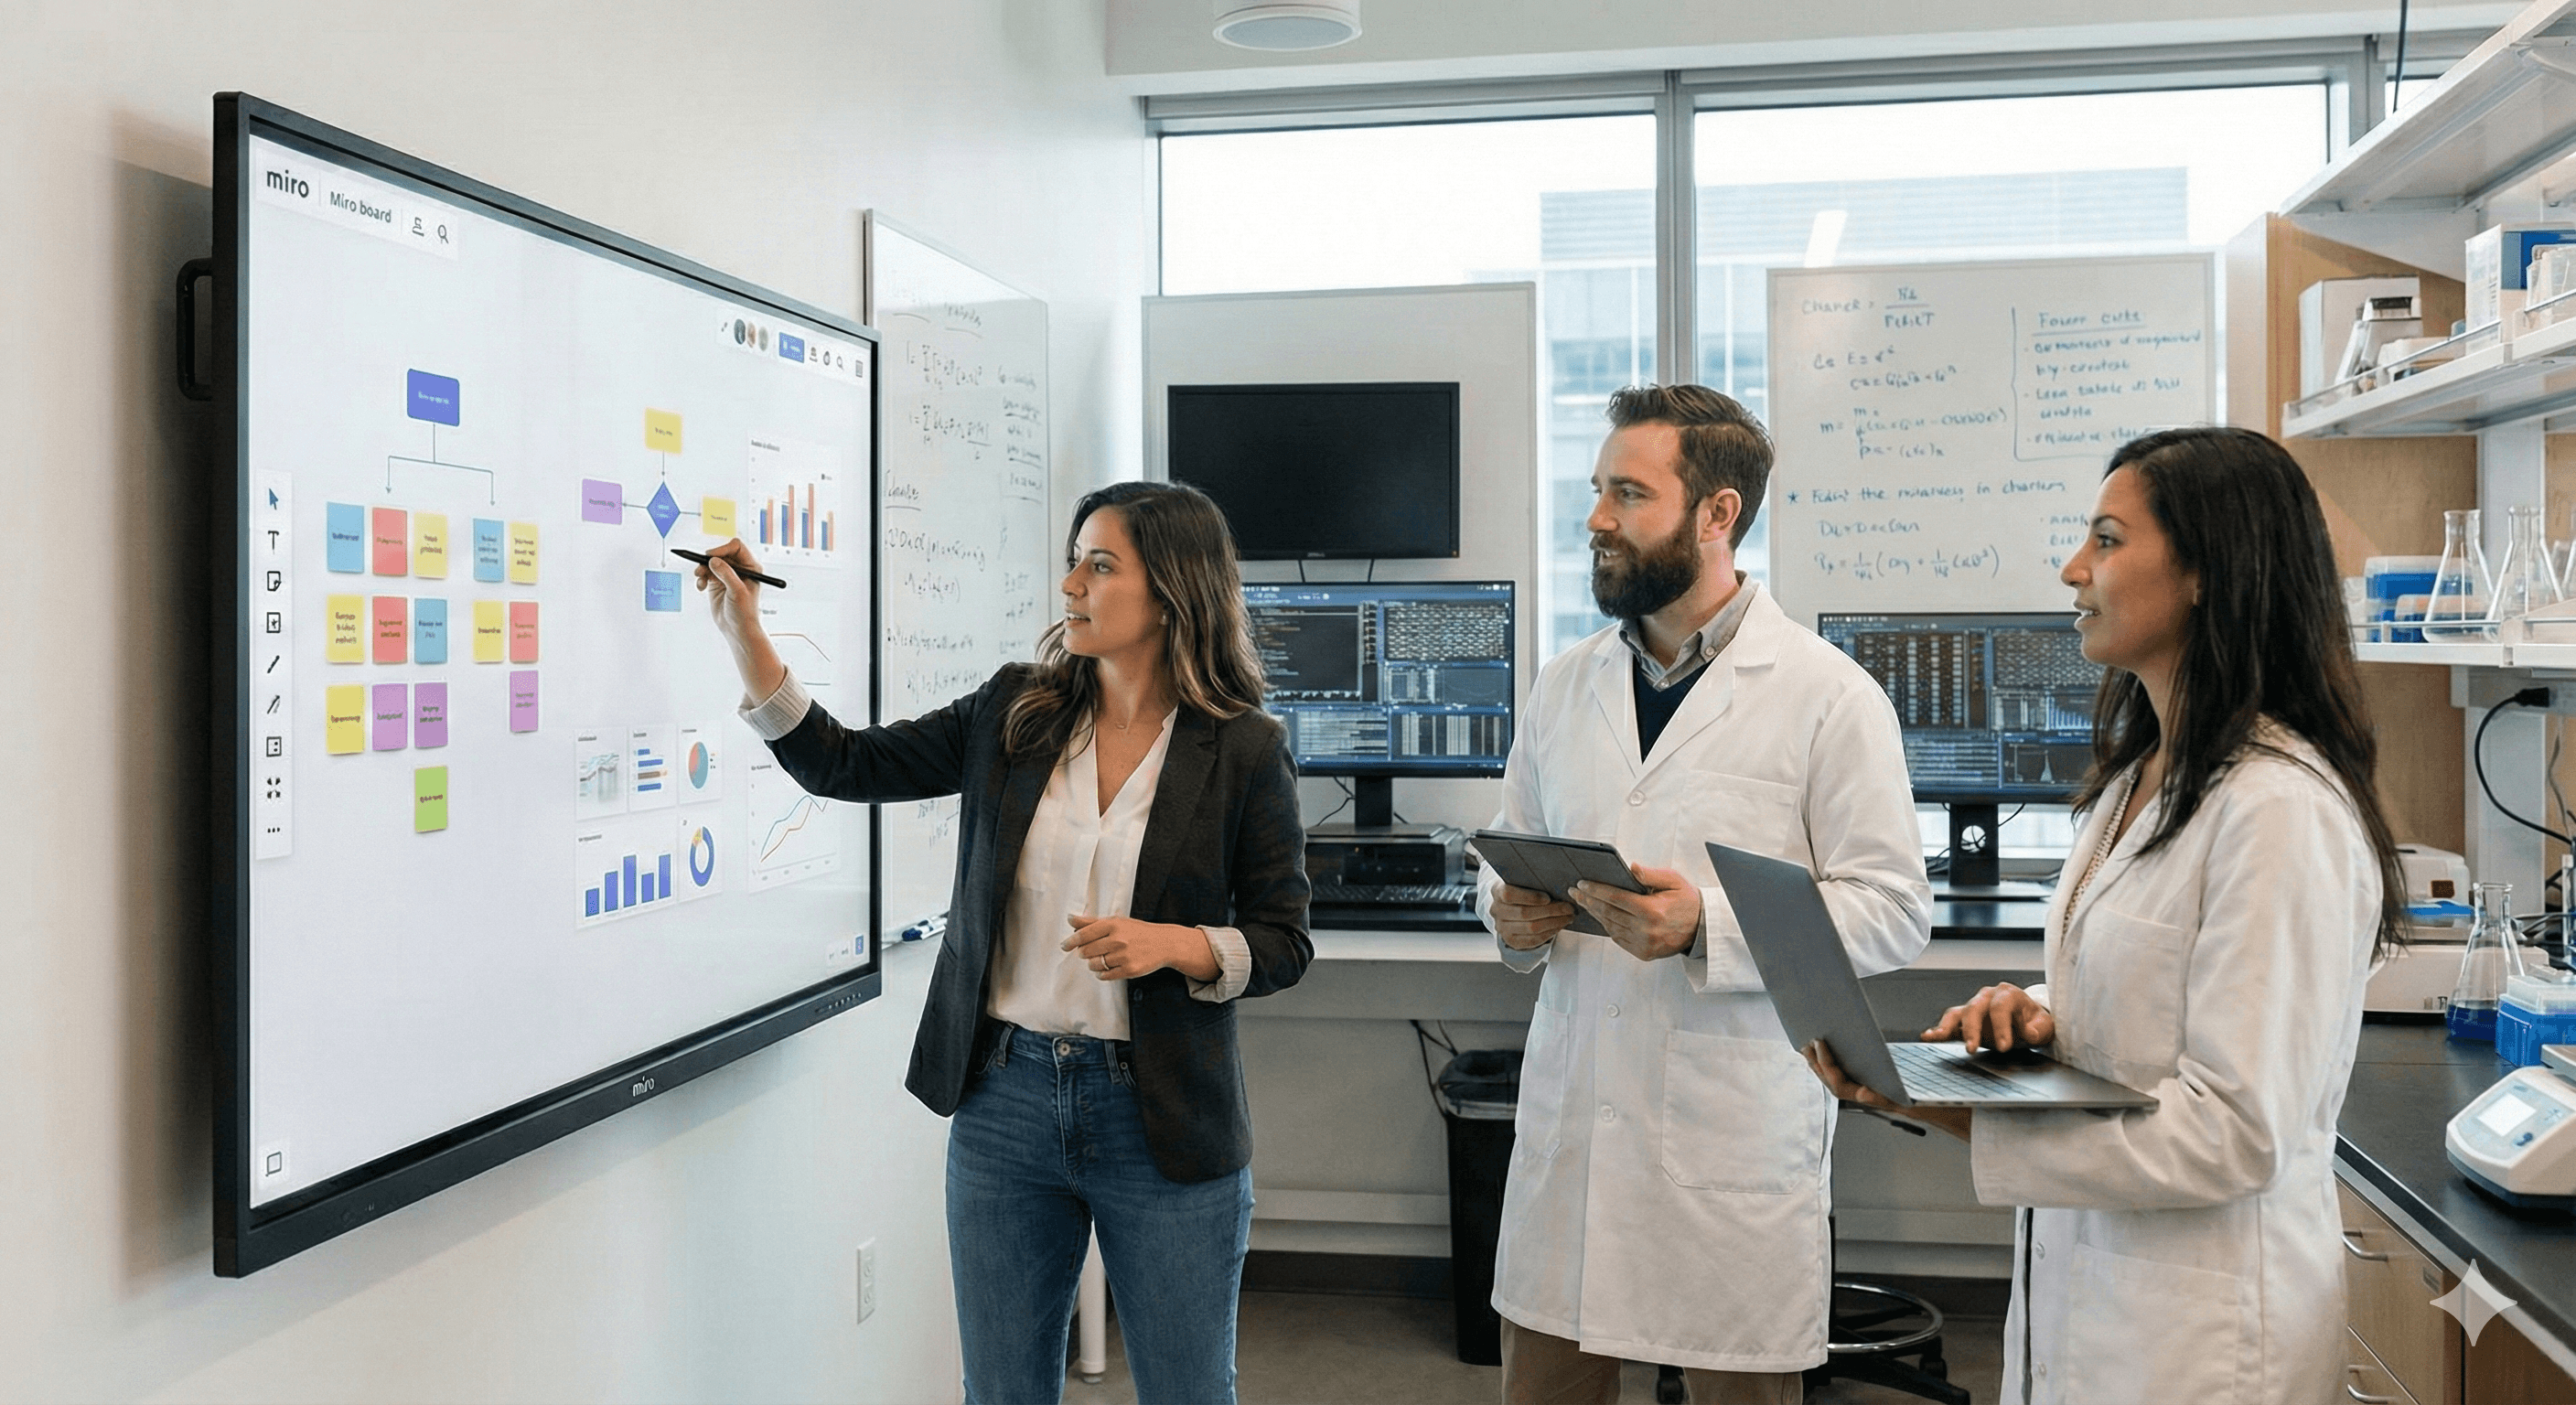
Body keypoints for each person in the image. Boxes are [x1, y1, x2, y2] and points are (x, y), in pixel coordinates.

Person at [1803, 426, 2406, 1405]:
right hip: (2091, 1302)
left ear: (2209, 571)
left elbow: (2235, 1134)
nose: (2071, 568)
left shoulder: (2277, 810)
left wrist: (1948, 1106)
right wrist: (2041, 1016)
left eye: (2108, 540)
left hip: (2202, 1338)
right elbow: (2158, 981)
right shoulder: (2143, 778)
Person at [693, 480, 1311, 1405]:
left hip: (1162, 1115)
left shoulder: (1242, 749)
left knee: (1188, 1391)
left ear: (1172, 591)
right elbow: (843, 763)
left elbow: (1282, 939)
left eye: (1099, 565)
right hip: (1005, 1103)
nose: (1069, 584)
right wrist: (743, 634)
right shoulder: (1016, 711)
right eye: (1073, 559)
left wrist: (1175, 945)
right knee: (1002, 1390)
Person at [1478, 384, 1932, 1403]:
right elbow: (1506, 857)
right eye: (1596, 491)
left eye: (1627, 494)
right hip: (1574, 1133)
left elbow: (1894, 906)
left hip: (1728, 1138)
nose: (1595, 518)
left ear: (1715, 514)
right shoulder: (1564, 685)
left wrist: (1704, 929)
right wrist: (1509, 918)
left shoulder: (1825, 694)